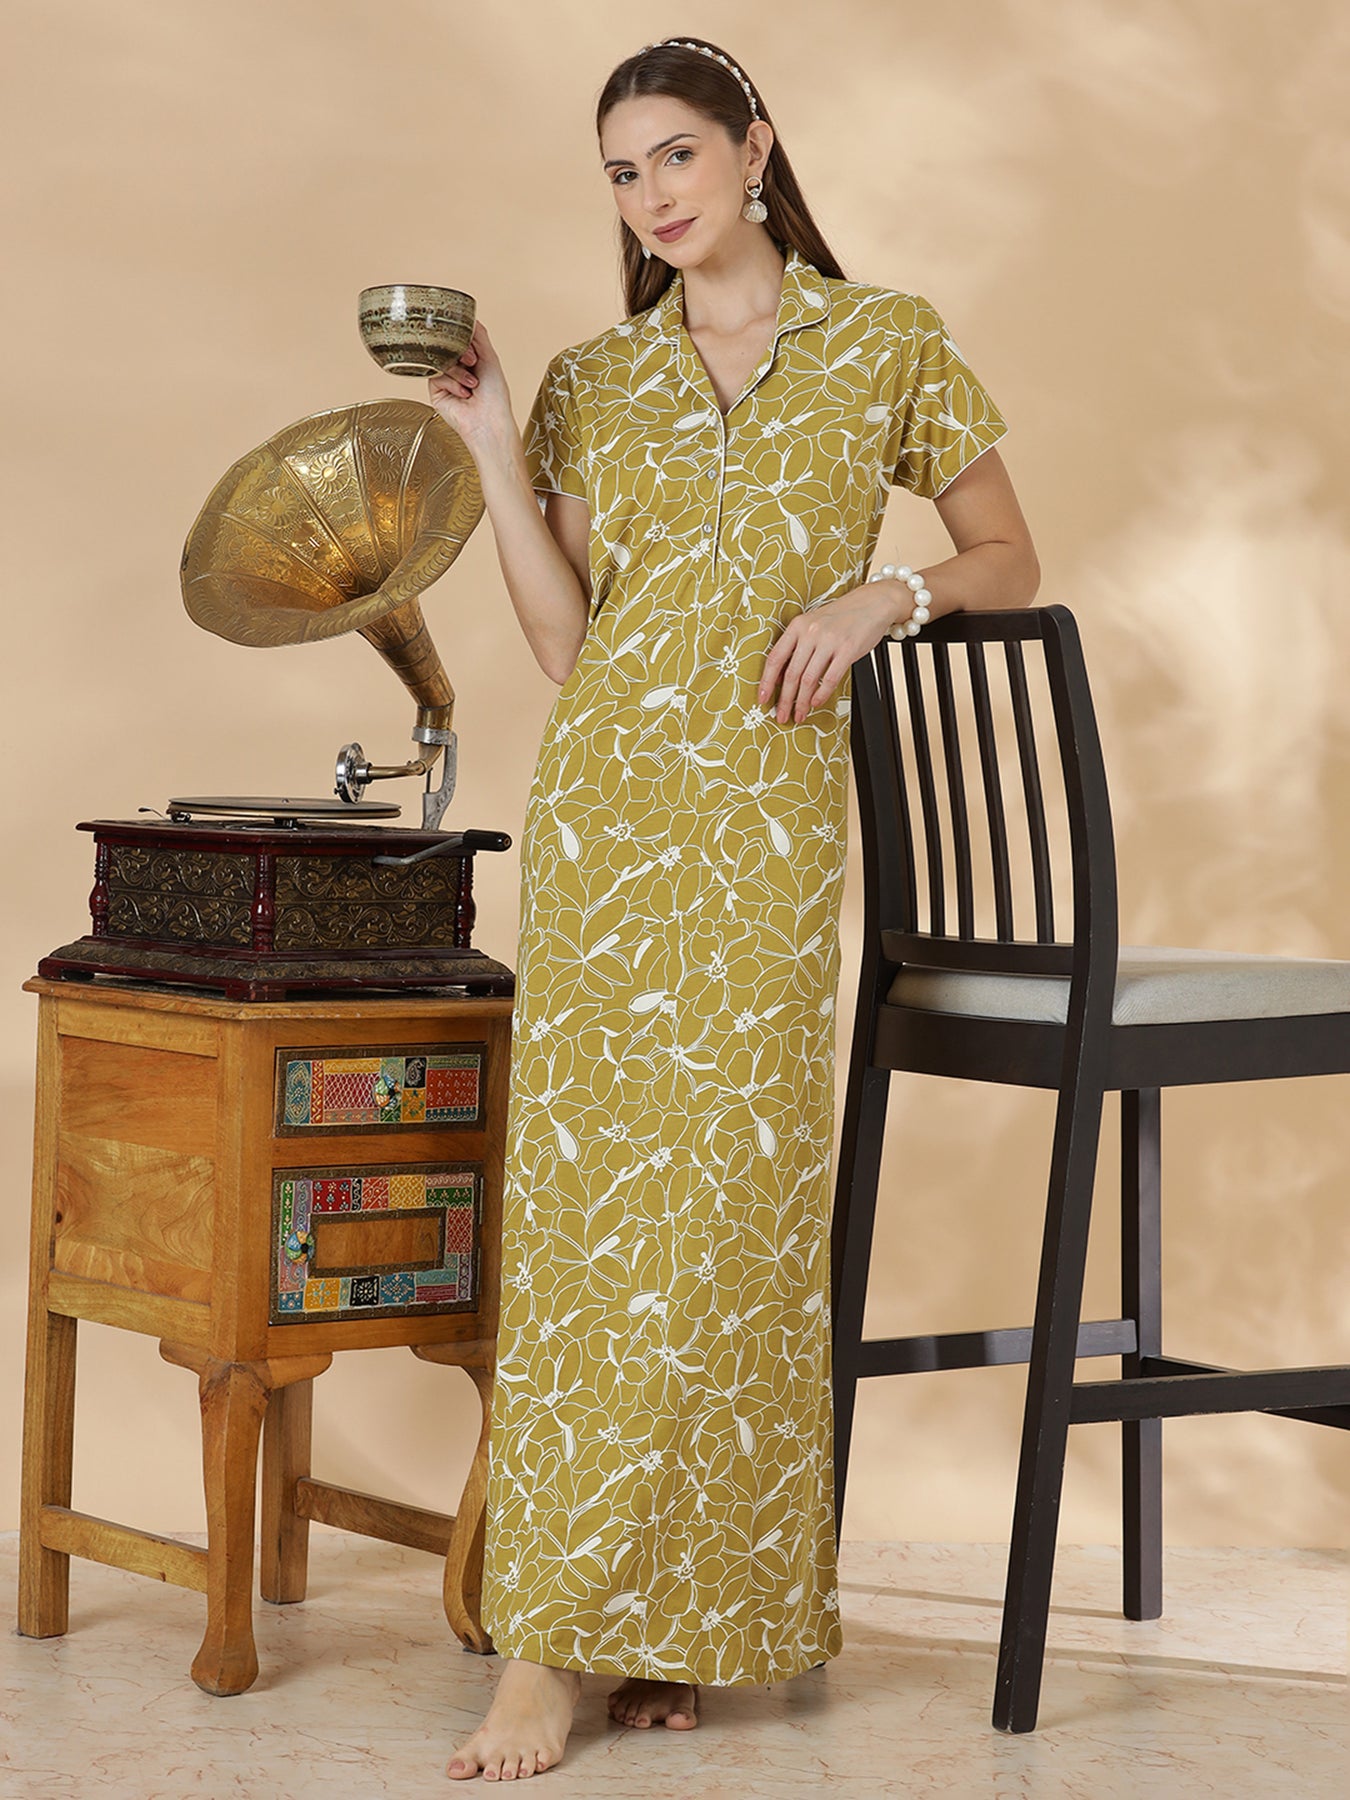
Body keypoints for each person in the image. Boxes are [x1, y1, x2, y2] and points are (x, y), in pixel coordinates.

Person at [427, 33, 1040, 1782]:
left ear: (754, 146)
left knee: (731, 1226)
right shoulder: (594, 376)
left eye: (677, 156)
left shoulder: (883, 340)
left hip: (768, 834)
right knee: (584, 1231)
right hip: (610, 824)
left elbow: (1011, 557)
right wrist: (489, 442)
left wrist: (881, 598)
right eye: (622, 174)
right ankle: (544, 1652)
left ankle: (682, 1621)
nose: (652, 196)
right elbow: (566, 644)